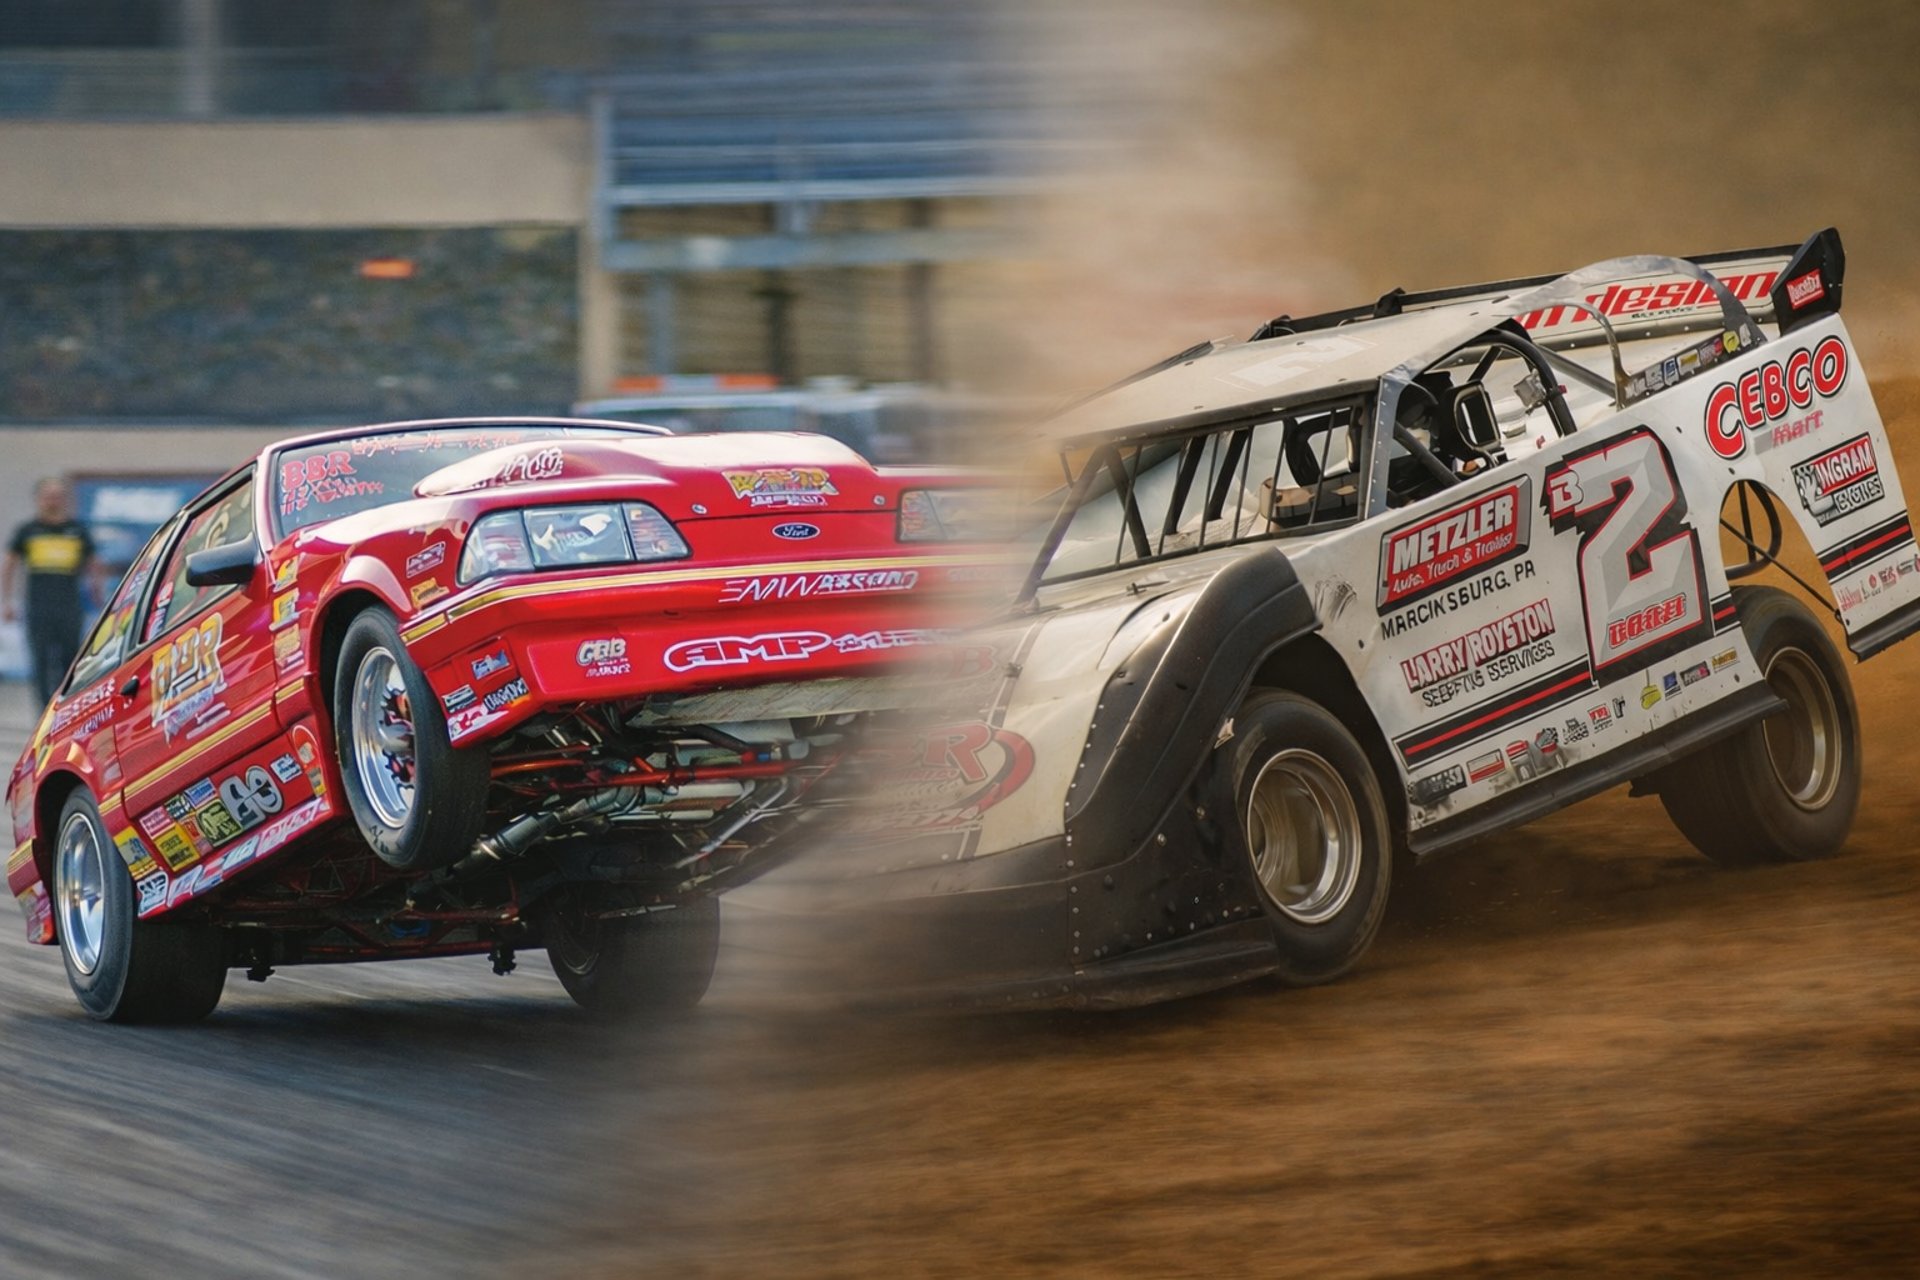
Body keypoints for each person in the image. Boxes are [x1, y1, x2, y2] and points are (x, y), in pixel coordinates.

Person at [4, 478, 102, 704]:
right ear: (38, 499)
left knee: (70, 664)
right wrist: (8, 602)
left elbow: (94, 564)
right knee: (41, 664)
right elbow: (9, 565)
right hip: (38, 609)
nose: (53, 500)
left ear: (65, 499)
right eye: (48, 496)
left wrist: (98, 595)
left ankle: (67, 710)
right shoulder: (27, 531)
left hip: (70, 608)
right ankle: (43, 718)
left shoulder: (78, 530)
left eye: (57, 495)